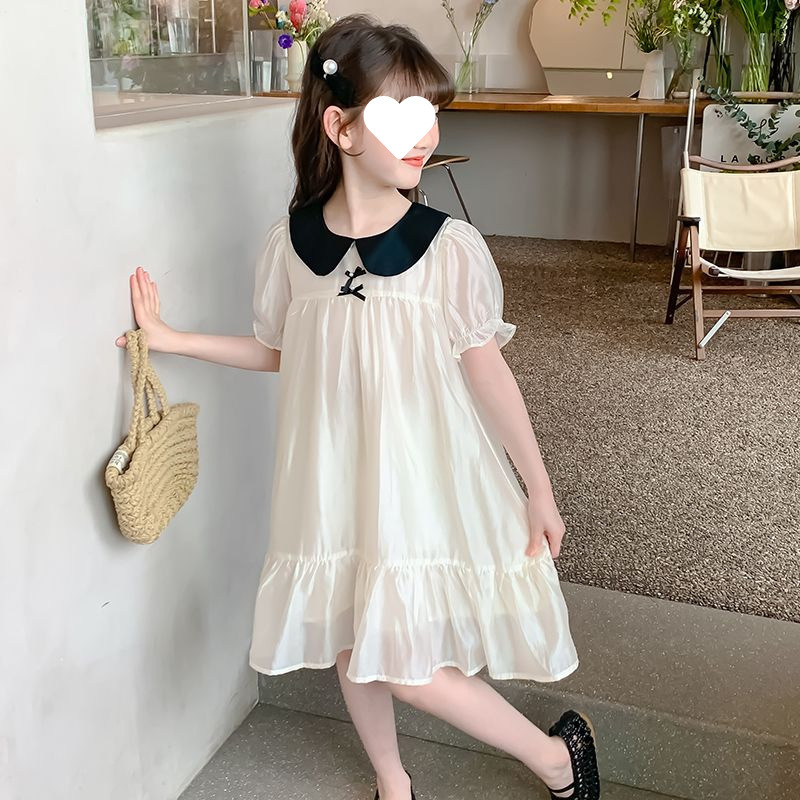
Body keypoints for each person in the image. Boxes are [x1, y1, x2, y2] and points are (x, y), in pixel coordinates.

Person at [115, 14, 600, 800]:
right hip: (331, 474)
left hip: (415, 477)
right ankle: (392, 783)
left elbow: (489, 373)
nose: (425, 133)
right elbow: (283, 350)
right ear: (340, 128)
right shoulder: (290, 245)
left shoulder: (446, 249)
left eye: (430, 112)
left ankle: (554, 759)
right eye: (401, 114)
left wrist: (538, 488)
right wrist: (173, 339)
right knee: (349, 639)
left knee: (405, 665)